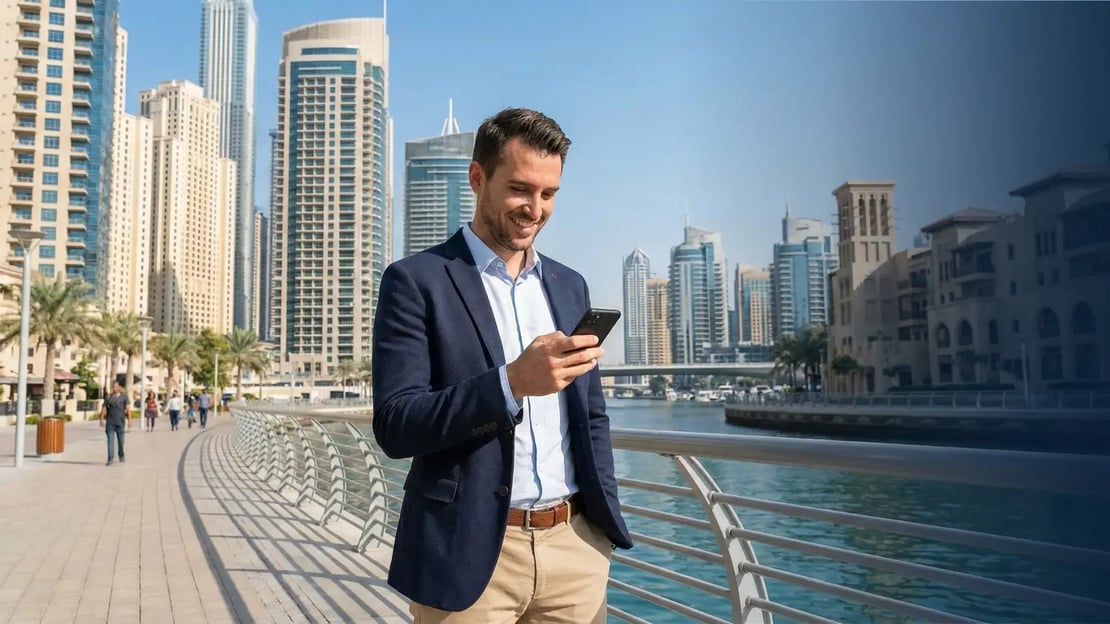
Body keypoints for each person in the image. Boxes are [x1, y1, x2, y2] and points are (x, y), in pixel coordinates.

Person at [372, 107, 632, 623]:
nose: (535, 209)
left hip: (575, 550)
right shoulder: (416, 281)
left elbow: (592, 415)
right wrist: (511, 383)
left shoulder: (570, 285)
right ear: (477, 178)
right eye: (520, 189)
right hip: (466, 552)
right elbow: (397, 424)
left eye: (549, 193)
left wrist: (599, 530)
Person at [99, 380, 131, 465]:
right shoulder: (108, 397)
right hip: (110, 422)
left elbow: (128, 409)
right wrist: (101, 418)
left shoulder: (124, 397)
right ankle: (110, 459)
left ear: (119, 387)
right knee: (110, 440)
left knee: (121, 441)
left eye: (116, 387)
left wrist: (129, 421)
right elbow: (104, 408)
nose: (114, 389)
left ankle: (121, 454)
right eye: (113, 387)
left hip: (120, 422)